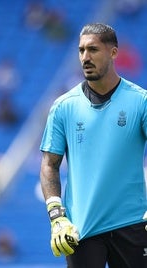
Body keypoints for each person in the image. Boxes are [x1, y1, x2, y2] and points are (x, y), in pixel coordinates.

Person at [39, 23, 147, 268]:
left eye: (93, 50)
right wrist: (57, 216)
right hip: (81, 230)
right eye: (81, 50)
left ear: (113, 52)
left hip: (133, 225)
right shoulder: (63, 106)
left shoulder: (141, 102)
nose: (85, 57)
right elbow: (49, 164)